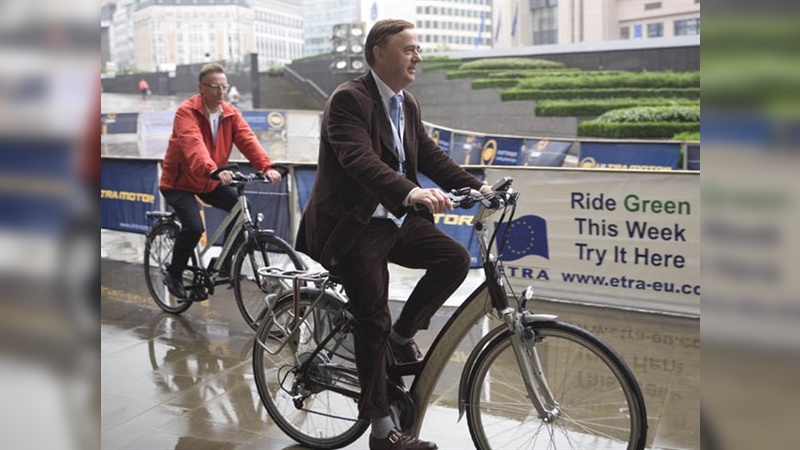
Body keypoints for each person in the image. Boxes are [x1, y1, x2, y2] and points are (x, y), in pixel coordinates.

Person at [295, 19, 490, 450]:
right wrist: (412, 191)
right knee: (372, 320)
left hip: (392, 221)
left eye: (418, 49)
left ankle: (402, 339)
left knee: (453, 260)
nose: (417, 56)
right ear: (378, 53)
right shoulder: (349, 99)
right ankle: (382, 432)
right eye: (409, 49)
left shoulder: (407, 104)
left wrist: (480, 188)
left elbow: (431, 156)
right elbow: (358, 159)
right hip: (352, 227)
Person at [159, 63, 281, 299]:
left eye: (224, 86)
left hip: (209, 180)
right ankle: (174, 273)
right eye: (215, 87)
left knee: (241, 211)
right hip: (180, 182)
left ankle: (224, 262)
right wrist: (212, 169)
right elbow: (192, 143)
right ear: (201, 88)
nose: (221, 92)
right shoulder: (186, 112)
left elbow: (248, 140)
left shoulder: (230, 113)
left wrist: (267, 167)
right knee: (194, 227)